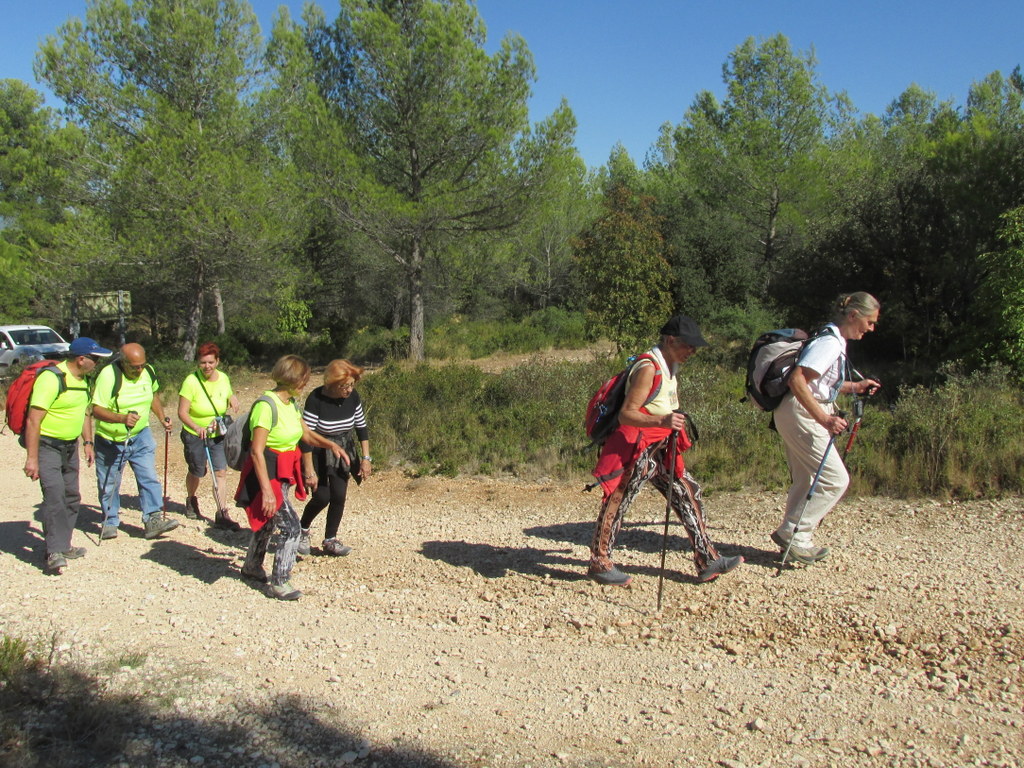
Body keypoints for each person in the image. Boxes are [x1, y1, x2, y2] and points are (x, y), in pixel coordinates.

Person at [588, 316, 744, 586]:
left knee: (687, 493)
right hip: (636, 447)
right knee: (618, 501)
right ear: (671, 340)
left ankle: (707, 558)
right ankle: (599, 562)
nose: (692, 351)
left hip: (660, 447)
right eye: (689, 345)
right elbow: (627, 415)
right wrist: (663, 421)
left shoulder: (670, 365)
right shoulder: (649, 368)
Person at [770, 292, 882, 564]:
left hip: (793, 412)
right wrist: (825, 419)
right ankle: (794, 534)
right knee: (835, 480)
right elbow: (797, 380)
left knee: (807, 479)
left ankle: (795, 539)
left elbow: (818, 383)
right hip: (803, 414)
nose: (871, 328)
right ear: (853, 315)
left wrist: (856, 387)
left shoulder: (831, 340)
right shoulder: (830, 343)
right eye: (869, 321)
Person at [235, 355, 348, 600]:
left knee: (268, 522)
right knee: (291, 528)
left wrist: (331, 445)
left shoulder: (291, 404)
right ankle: (280, 581)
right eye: (303, 378)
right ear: (292, 378)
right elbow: (256, 451)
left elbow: (305, 434)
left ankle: (252, 566)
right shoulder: (266, 406)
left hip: (282, 472)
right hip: (267, 475)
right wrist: (266, 491)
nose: (306, 383)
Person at [23, 337, 111, 573]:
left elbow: (84, 413)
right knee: (54, 497)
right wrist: (32, 459)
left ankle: (64, 544)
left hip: (70, 446)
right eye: (95, 359)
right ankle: (53, 551)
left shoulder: (82, 381)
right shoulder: (52, 379)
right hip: (47, 446)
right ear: (81, 359)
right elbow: (34, 420)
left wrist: (88, 443)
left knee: (72, 496)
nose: (97, 363)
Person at [91, 342, 180, 540]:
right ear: (123, 362)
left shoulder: (148, 372)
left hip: (141, 435)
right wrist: (121, 418)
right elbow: (96, 409)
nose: (139, 370)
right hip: (111, 440)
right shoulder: (108, 375)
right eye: (134, 366)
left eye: (142, 365)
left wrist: (162, 417)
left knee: (148, 476)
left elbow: (153, 396)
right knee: (109, 483)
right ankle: (109, 520)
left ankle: (153, 519)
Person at [298, 359, 372, 557]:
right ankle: (302, 529)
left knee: (339, 495)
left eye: (351, 385)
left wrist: (366, 458)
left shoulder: (353, 397)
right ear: (331, 383)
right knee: (322, 496)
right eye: (344, 386)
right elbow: (306, 437)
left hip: (343, 450)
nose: (348, 390)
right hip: (318, 451)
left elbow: (361, 427)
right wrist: (308, 470)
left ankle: (330, 539)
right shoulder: (316, 399)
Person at [176, 341, 242, 530]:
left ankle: (222, 512)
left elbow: (226, 392)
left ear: (217, 362)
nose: (207, 366)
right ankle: (191, 499)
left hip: (217, 433)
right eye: (203, 363)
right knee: (198, 470)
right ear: (198, 363)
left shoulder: (223, 378)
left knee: (220, 471)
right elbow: (182, 412)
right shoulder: (191, 382)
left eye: (211, 362)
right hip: (194, 434)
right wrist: (197, 427)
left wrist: (232, 397)